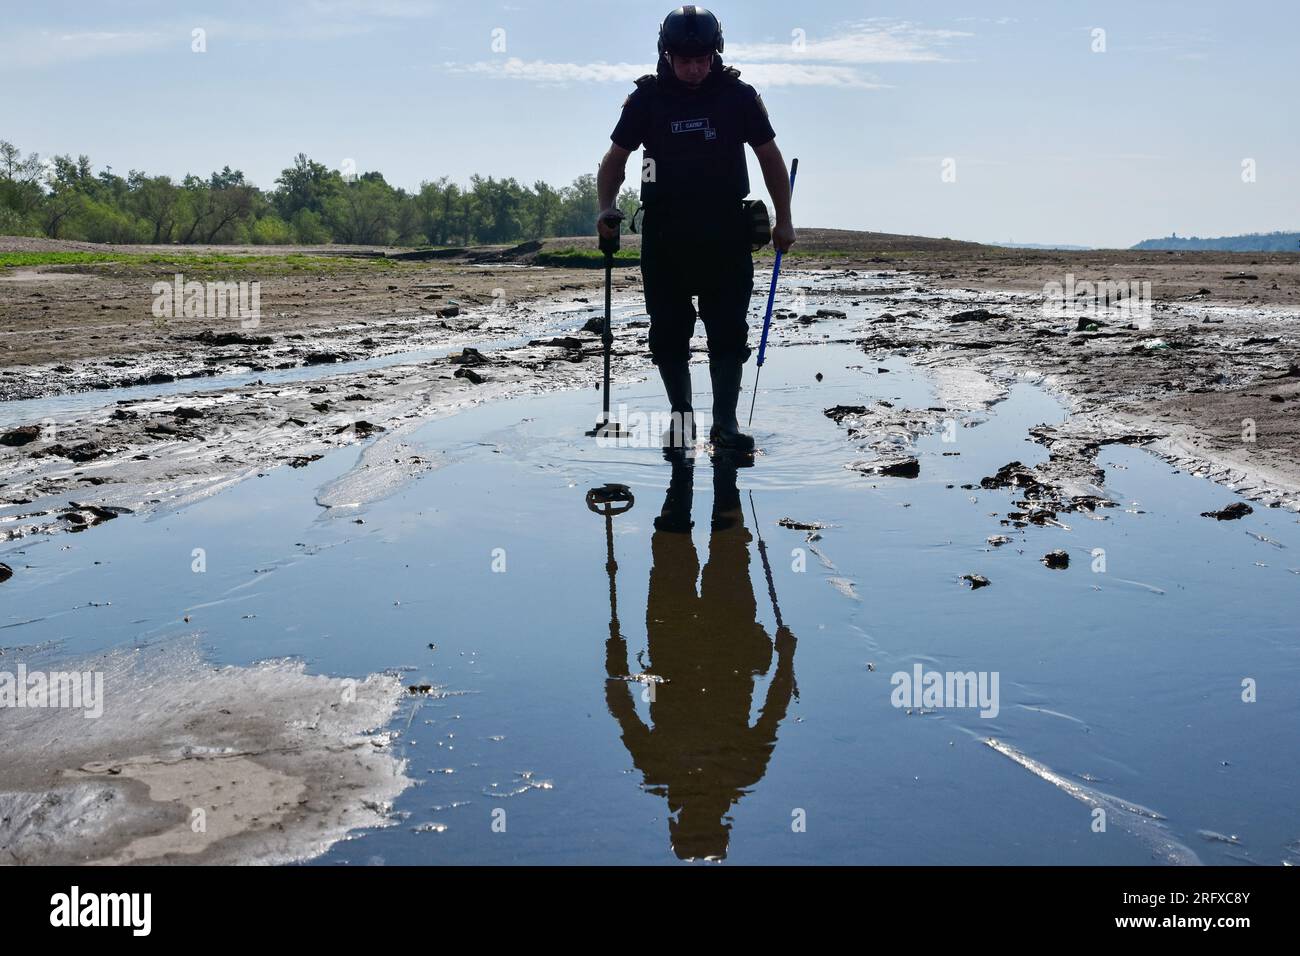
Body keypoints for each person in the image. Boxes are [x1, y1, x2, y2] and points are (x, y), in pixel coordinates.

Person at [595, 5, 796, 457]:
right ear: (665, 55)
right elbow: (615, 161)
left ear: (716, 53)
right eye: (683, 60)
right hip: (665, 235)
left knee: (728, 330)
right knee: (668, 331)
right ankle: (681, 415)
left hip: (726, 231)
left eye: (702, 58)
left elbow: (770, 157)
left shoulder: (738, 96)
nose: (693, 68)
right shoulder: (647, 100)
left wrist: (784, 219)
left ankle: (725, 423)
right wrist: (606, 208)